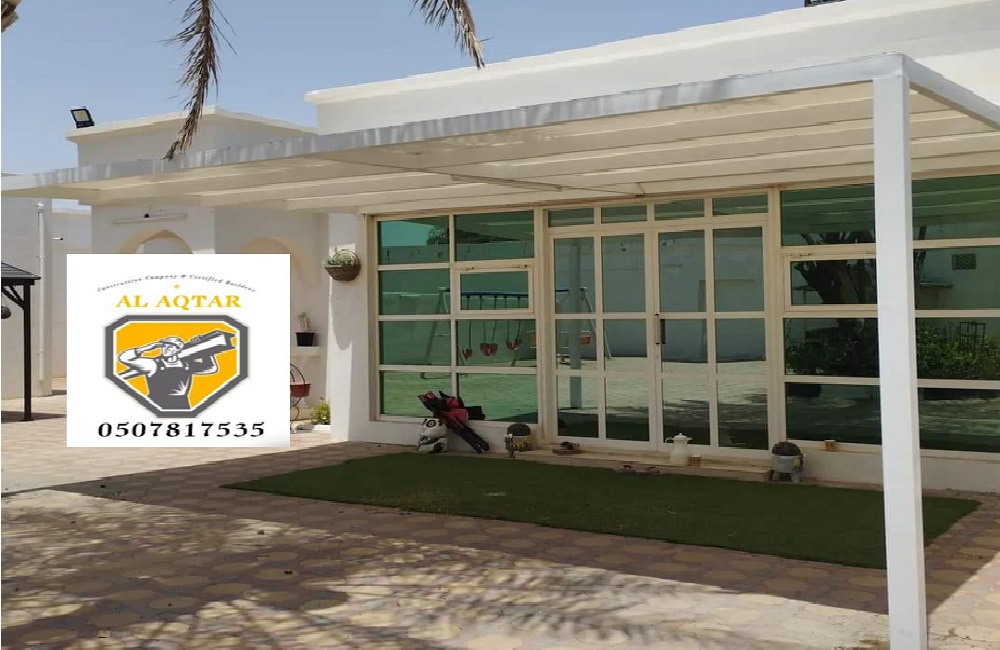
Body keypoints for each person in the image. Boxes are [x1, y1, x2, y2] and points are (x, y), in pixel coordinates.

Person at [117, 336, 218, 411]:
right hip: (155, 403)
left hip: (181, 403)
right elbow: (124, 358)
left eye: (170, 347)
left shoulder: (186, 365)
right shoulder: (152, 364)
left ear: (178, 350)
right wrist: (146, 348)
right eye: (164, 346)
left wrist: (207, 351)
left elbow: (211, 368)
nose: (165, 349)